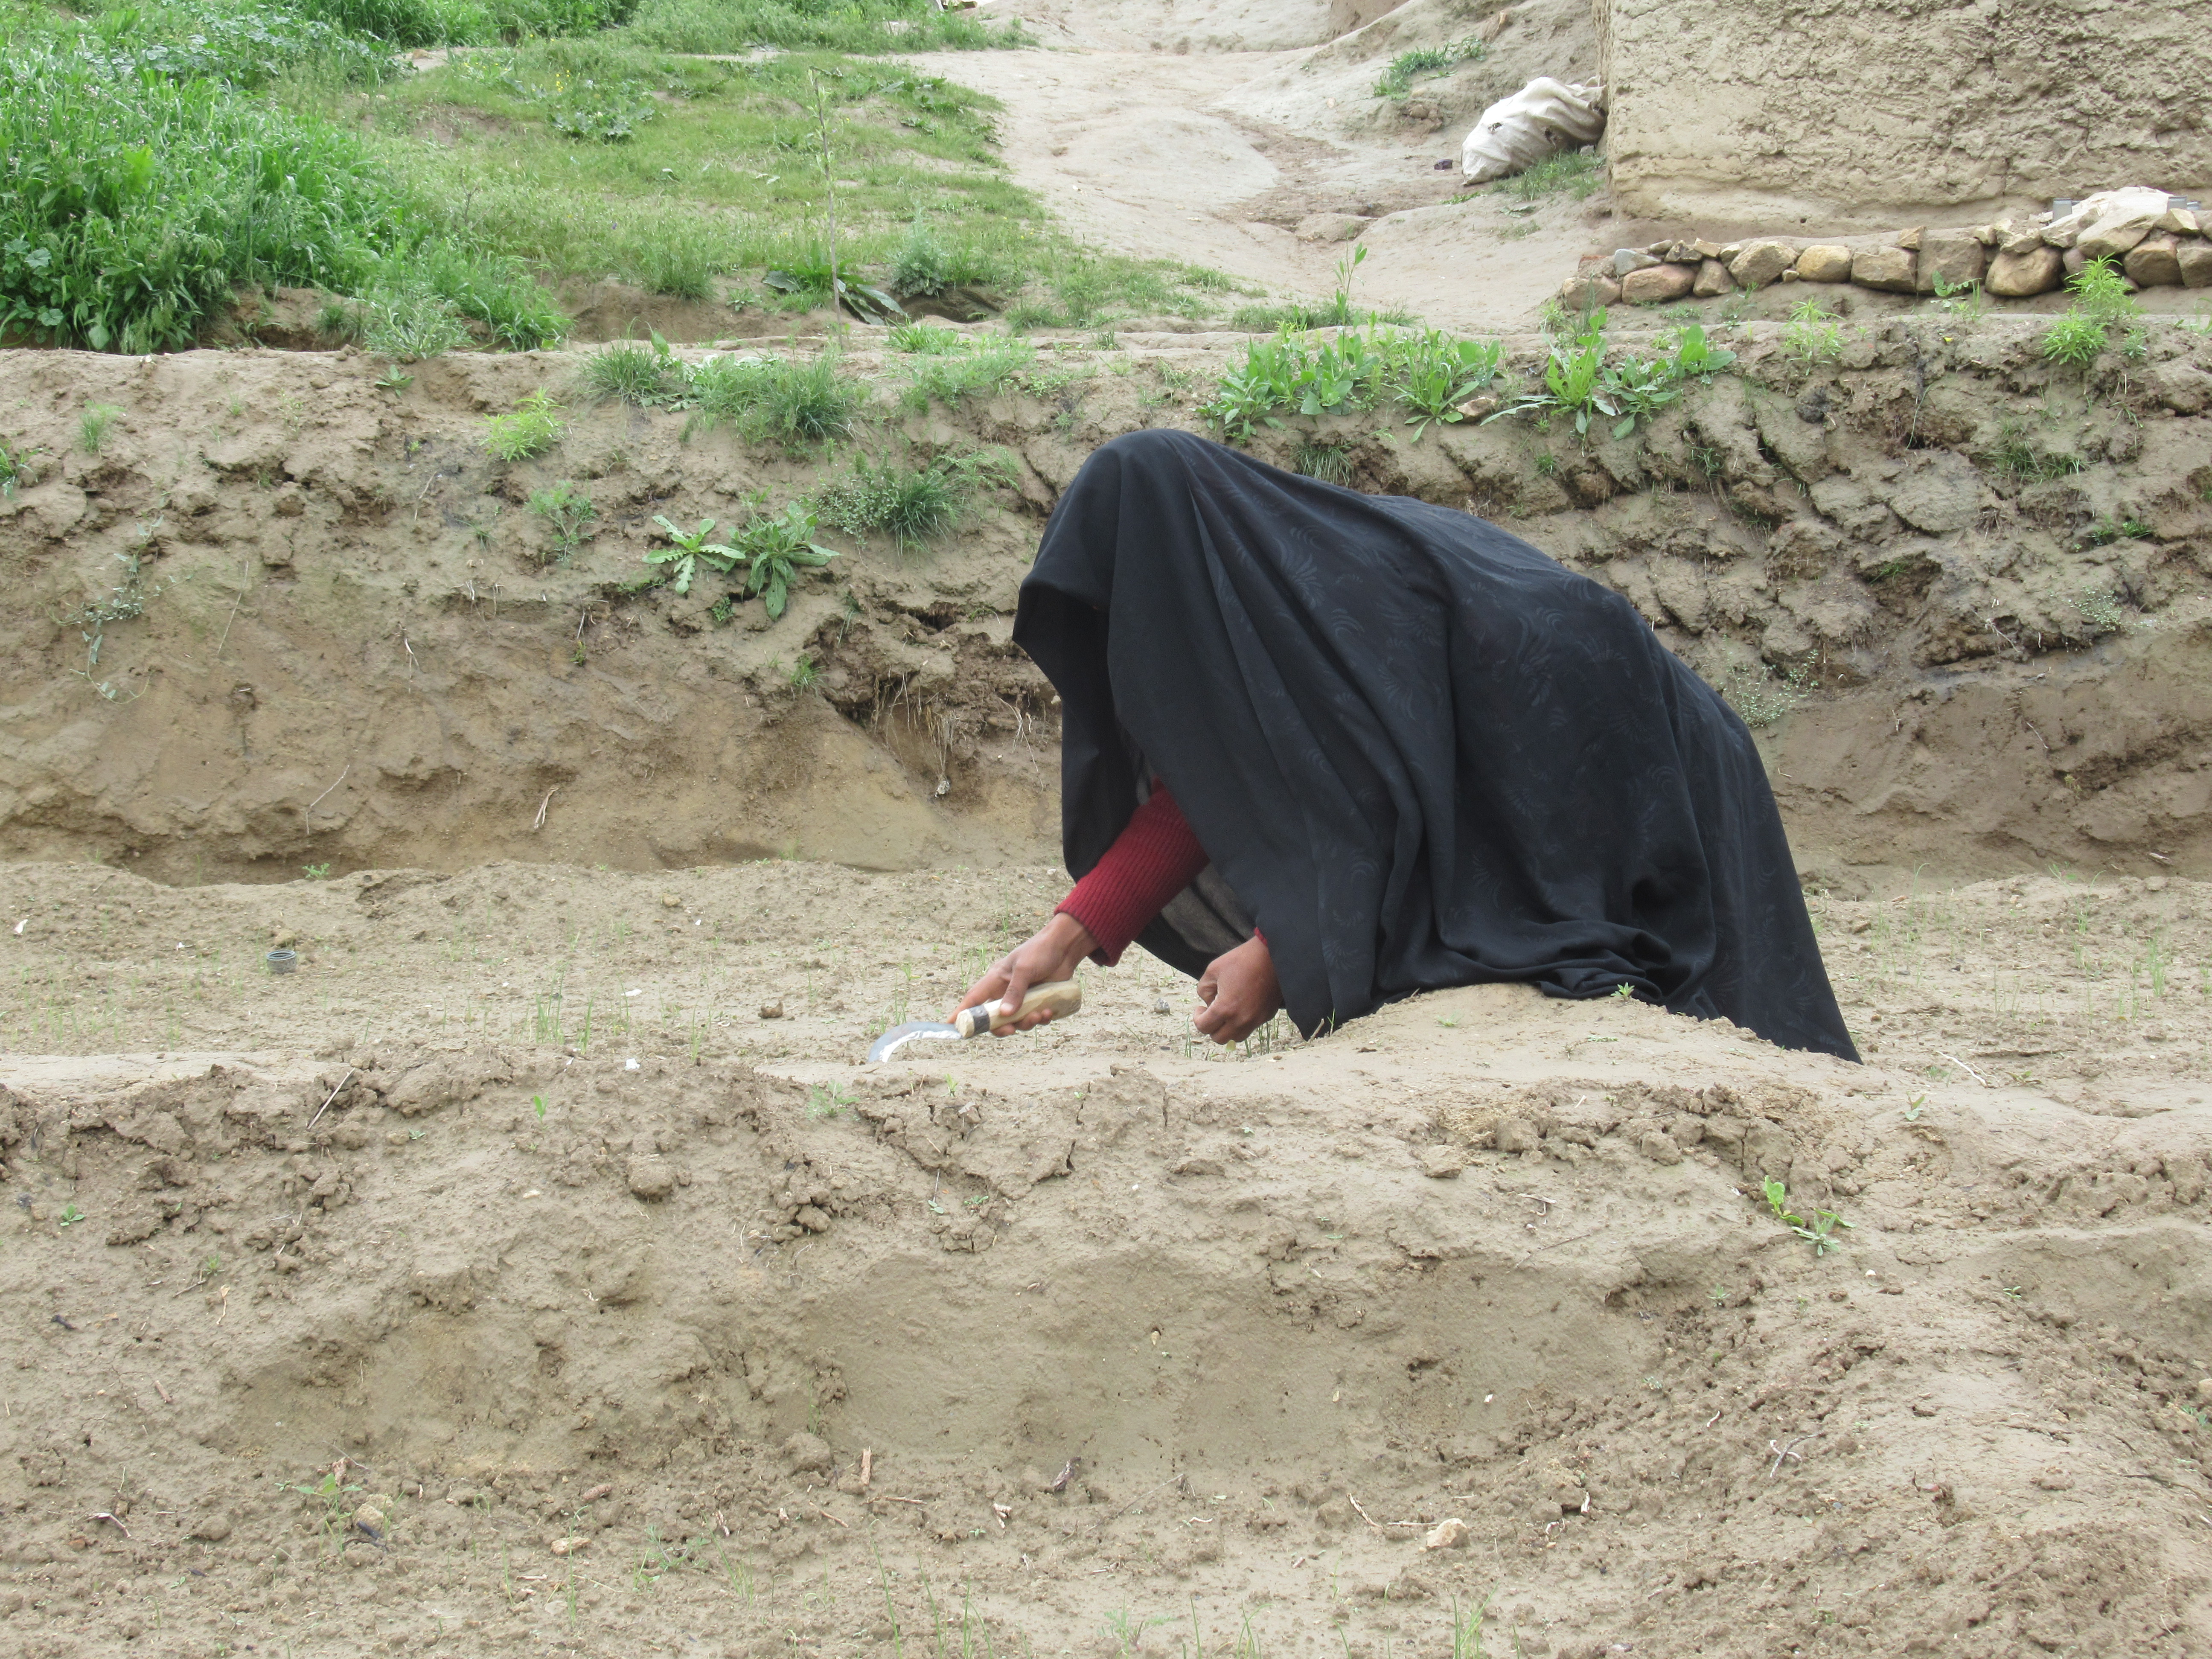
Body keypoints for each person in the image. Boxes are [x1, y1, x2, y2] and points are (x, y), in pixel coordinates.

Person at [953, 428, 1857, 1062]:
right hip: (1556, 741)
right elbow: (1225, 789)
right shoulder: (1259, 609)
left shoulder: (1338, 604)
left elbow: (1396, 786)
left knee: (1736, 1010)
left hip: (1620, 744)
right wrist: (1061, 943)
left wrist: (1279, 952)